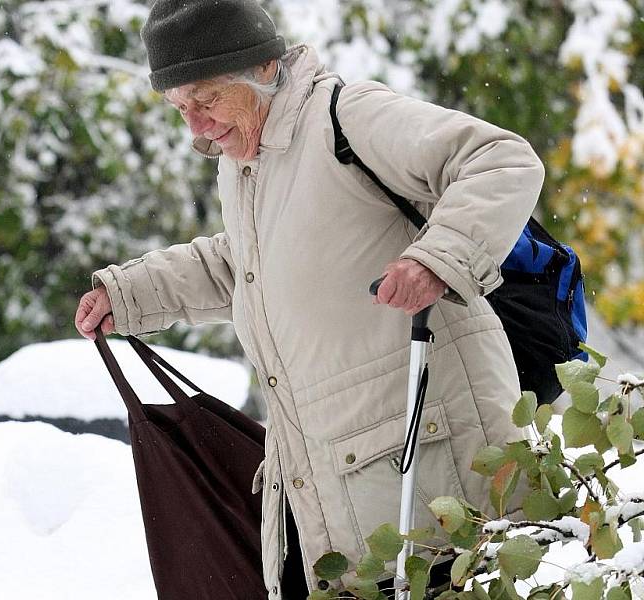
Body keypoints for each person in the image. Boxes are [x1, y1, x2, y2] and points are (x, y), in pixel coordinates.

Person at [74, 1, 543, 597]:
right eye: (179, 108)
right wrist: (133, 292)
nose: (195, 127)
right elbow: (243, 267)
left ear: (264, 68)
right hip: (337, 484)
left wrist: (436, 261)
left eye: (206, 99)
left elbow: (500, 160)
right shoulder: (248, 163)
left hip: (434, 473)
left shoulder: (347, 117)